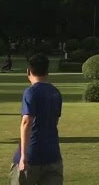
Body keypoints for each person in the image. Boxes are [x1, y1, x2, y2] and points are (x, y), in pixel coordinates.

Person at [11, 54, 63, 185]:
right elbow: (55, 121)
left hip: (32, 154)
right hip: (52, 154)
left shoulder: (31, 92)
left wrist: (23, 156)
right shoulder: (55, 92)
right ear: (47, 72)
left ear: (28, 71)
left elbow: (26, 121)